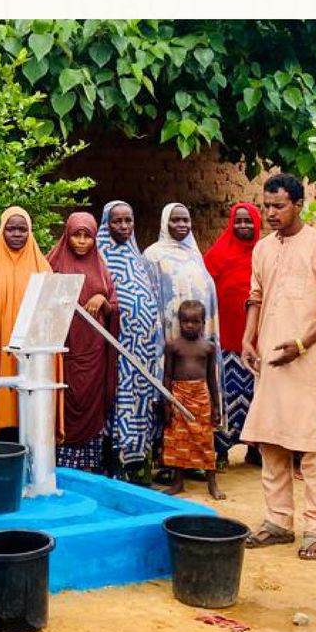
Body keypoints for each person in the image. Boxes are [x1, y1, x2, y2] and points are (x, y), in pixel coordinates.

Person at [241, 173, 316, 560]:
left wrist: (302, 343)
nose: (270, 213)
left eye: (278, 206)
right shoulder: (263, 249)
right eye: (266, 206)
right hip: (271, 360)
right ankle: (277, 522)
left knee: (312, 449)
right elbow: (255, 296)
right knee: (271, 441)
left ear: (298, 205)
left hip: (307, 364)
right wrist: (247, 338)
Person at [47, 211, 120, 473]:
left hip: (94, 353)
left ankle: (89, 467)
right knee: (62, 404)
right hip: (63, 352)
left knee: (91, 403)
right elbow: (40, 302)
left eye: (86, 236)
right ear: (66, 236)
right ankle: (59, 467)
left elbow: (113, 304)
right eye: (76, 235)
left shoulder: (100, 268)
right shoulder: (53, 264)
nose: (81, 242)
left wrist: (102, 300)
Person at [97, 200, 163, 479]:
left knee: (141, 403)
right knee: (118, 402)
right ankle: (116, 465)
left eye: (128, 221)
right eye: (117, 221)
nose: (124, 226)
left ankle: (138, 467)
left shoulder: (137, 256)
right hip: (116, 350)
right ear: (106, 224)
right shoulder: (99, 257)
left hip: (143, 352)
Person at [0, 206, 49, 435]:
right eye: (11, 229)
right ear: (1, 231)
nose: (17, 234)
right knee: (0, 391)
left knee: (27, 402)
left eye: (22, 229)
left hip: (32, 349)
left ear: (30, 232)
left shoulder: (42, 267)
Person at [204, 202, 262, 463]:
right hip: (226, 339)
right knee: (226, 395)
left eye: (248, 221)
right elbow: (205, 291)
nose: (243, 226)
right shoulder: (217, 254)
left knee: (256, 396)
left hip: (258, 339)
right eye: (238, 221)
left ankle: (255, 450)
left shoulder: (265, 253)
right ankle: (221, 451)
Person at [160, 299, 225, 500]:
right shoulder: (173, 346)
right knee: (178, 440)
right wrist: (167, 401)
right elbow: (168, 376)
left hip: (201, 397)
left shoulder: (208, 347)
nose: (190, 325)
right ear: (179, 322)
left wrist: (216, 406)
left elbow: (212, 379)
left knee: (205, 439)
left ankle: (212, 482)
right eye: (185, 321)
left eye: (195, 322)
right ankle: (178, 481)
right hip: (179, 396)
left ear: (203, 323)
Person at [145, 202, 222, 344]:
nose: (182, 224)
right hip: (169, 329)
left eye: (186, 220)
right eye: (175, 220)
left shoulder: (194, 253)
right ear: (165, 223)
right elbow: (148, 298)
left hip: (198, 331)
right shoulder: (153, 255)